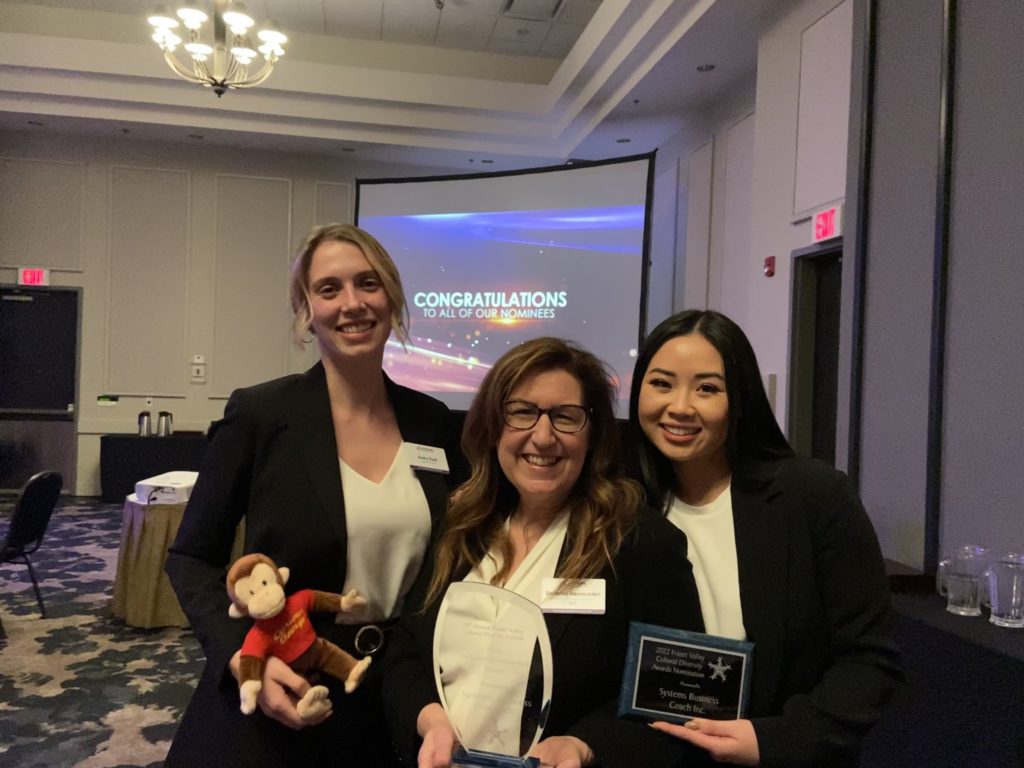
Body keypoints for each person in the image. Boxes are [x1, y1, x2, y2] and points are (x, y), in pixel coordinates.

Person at [165, 223, 464, 767]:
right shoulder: (262, 415)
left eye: (368, 284)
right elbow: (190, 557)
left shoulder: (433, 422)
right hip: (289, 677)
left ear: (392, 297)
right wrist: (239, 660)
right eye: (329, 289)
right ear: (306, 310)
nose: (352, 303)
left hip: (400, 686)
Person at [383, 337, 705, 768]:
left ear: (593, 433)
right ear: (493, 425)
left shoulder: (640, 542)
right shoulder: (459, 527)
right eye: (522, 412)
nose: (543, 435)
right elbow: (404, 653)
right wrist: (430, 719)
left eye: (565, 417)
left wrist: (585, 745)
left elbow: (678, 699)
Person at [627, 309, 903, 768]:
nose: (679, 406)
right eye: (661, 383)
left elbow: (870, 659)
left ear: (741, 399)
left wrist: (776, 741)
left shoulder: (813, 496)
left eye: (707, 388)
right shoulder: (621, 502)